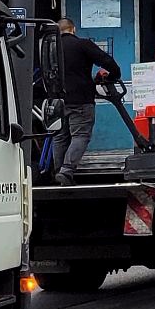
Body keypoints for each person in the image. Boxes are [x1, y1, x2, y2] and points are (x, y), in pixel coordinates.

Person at [51, 17, 123, 185]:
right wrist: (114, 75)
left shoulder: (50, 47)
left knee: (60, 136)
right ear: (73, 29)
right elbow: (107, 61)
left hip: (56, 99)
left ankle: (58, 173)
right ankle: (66, 171)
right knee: (80, 135)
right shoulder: (82, 44)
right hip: (81, 99)